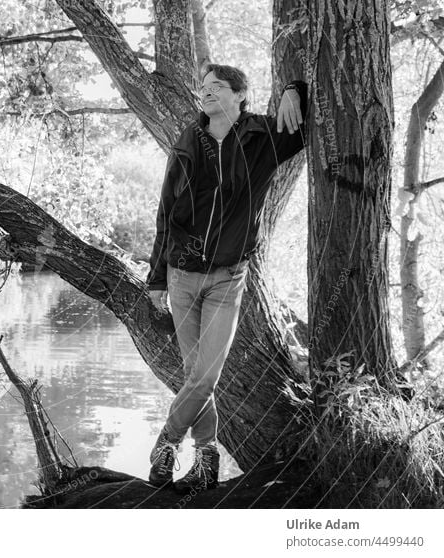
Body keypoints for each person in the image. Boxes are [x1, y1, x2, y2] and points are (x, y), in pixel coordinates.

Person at [145, 63, 308, 493]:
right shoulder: (188, 140)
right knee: (197, 374)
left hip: (226, 278)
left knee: (205, 376)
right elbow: (165, 212)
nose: (206, 93)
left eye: (217, 86)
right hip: (181, 276)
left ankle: (166, 444)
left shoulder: (262, 138)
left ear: (240, 95)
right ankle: (206, 460)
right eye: (203, 87)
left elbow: (305, 128)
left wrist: (295, 89)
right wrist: (156, 278)